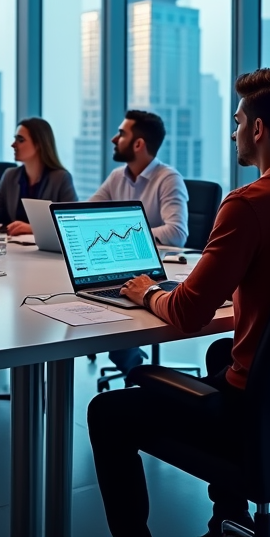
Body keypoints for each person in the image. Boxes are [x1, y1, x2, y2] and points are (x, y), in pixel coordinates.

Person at [87, 68, 270, 537]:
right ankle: (229, 519)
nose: (233, 133)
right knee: (220, 352)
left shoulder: (249, 202)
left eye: (237, 122)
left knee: (107, 412)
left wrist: (147, 291)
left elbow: (190, 313)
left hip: (257, 405)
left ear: (257, 129)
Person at [90, 110, 189, 375]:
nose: (114, 138)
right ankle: (131, 359)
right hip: (121, 266)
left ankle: (135, 367)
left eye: (121, 133)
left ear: (138, 144)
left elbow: (177, 233)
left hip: (156, 273)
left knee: (117, 306)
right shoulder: (117, 177)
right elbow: (88, 214)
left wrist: (131, 234)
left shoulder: (168, 179)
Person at [0, 117, 78, 235]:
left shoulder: (61, 178)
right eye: (15, 139)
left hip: (45, 251)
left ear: (38, 144)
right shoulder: (10, 176)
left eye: (20, 140)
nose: (13, 145)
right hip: (16, 248)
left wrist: (32, 228)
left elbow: (72, 222)